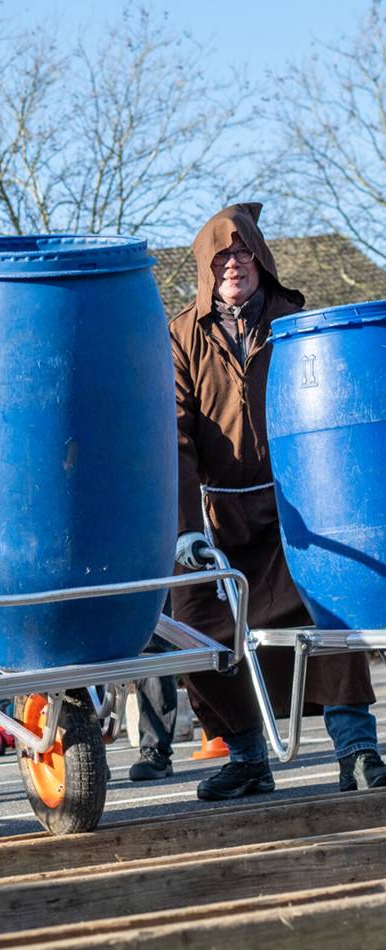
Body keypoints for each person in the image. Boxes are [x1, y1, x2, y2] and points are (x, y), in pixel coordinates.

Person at [170, 202, 385, 801]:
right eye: (220, 257)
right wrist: (187, 528)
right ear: (205, 269)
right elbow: (175, 435)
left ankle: (357, 748)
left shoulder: (297, 322)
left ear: (261, 259)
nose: (232, 264)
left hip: (305, 504)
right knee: (192, 621)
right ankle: (244, 756)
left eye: (241, 253)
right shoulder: (182, 334)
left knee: (329, 612)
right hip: (217, 515)